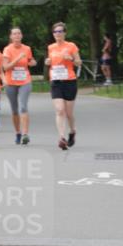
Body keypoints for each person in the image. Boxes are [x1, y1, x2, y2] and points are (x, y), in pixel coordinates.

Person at [44, 22, 81, 150]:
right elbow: (51, 62)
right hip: (56, 81)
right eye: (55, 32)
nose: (58, 34)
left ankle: (72, 131)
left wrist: (70, 58)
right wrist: (47, 62)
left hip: (69, 81)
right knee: (60, 110)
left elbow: (79, 63)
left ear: (65, 33)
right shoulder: (51, 47)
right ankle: (62, 137)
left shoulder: (71, 46)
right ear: (53, 34)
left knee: (69, 113)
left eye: (60, 31)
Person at [1, 28, 36, 144]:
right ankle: (18, 132)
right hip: (11, 82)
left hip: (25, 81)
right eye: (14, 34)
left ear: (21, 36)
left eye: (19, 33)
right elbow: (5, 67)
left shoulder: (27, 48)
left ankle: (25, 134)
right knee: (15, 110)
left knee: (23, 107)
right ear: (11, 37)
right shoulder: (7, 49)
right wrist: (17, 59)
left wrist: (33, 62)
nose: (17, 35)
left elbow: (31, 60)